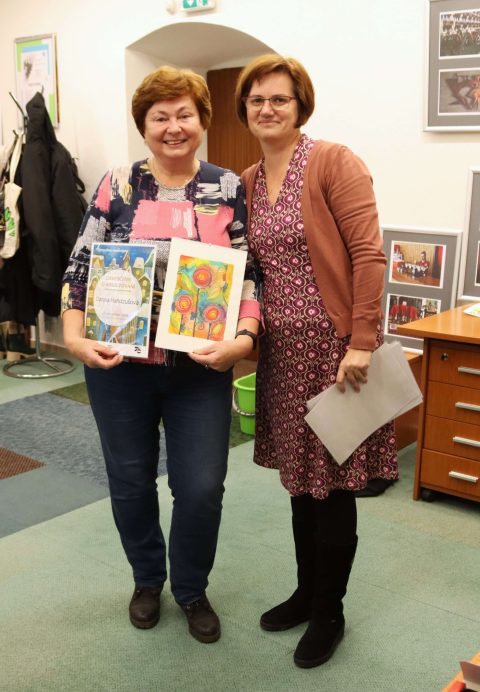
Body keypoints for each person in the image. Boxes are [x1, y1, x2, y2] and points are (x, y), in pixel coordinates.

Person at [62, 65, 260, 644]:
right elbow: (80, 268)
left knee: (201, 487)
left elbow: (249, 274)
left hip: (200, 369)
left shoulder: (227, 186)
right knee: (130, 481)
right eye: (160, 116)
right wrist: (74, 338)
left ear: (202, 120)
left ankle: (191, 589)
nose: (174, 127)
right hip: (119, 368)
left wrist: (243, 340)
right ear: (143, 125)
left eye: (185, 114)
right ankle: (147, 580)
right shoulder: (118, 184)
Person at [235, 55, 397, 668]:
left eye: (279, 98)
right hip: (281, 357)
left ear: (301, 104)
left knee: (332, 489)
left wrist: (362, 340)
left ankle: (330, 611)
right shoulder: (248, 180)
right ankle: (307, 592)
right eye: (256, 100)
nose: (267, 109)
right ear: (245, 110)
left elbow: (369, 254)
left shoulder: (333, 161)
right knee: (301, 485)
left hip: (335, 354)